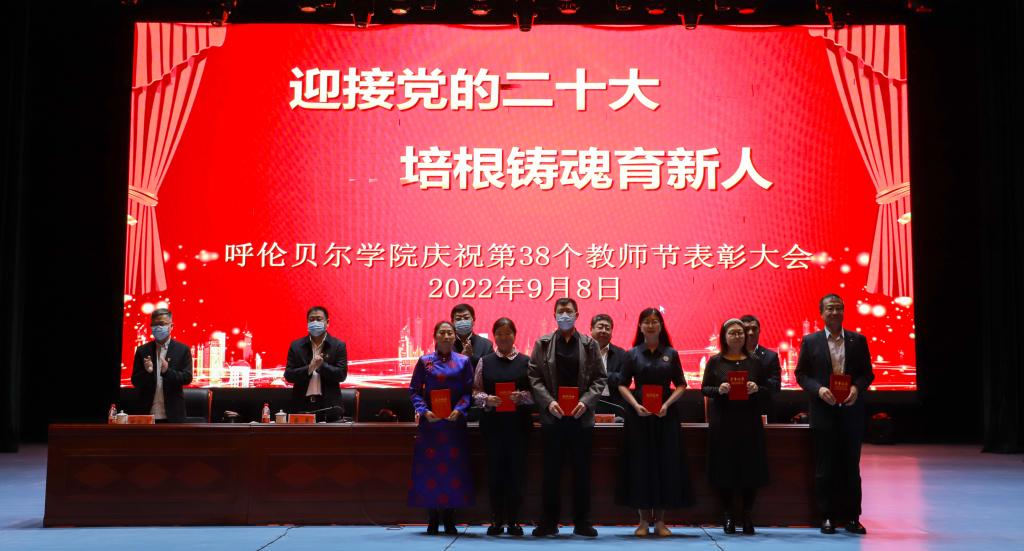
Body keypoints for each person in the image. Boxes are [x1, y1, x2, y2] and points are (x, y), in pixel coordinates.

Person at [795, 294, 875, 535]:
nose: (835, 312)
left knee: (851, 467)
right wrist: (819, 390)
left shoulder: (857, 340)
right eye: (830, 308)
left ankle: (853, 517)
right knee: (825, 467)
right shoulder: (811, 341)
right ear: (821, 313)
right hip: (823, 412)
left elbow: (867, 374)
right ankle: (827, 516)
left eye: (839, 308)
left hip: (851, 412)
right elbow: (801, 375)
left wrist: (856, 388)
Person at [528, 298, 607, 537]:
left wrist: (586, 401)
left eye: (569, 311)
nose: (565, 315)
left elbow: (600, 378)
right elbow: (534, 377)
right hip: (553, 418)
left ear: (577, 315)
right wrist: (548, 402)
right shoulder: (542, 343)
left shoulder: (590, 344)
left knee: (581, 472)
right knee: (550, 473)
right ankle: (548, 522)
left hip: (580, 418)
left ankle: (582, 522)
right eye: (560, 311)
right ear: (554, 315)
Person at [616, 308, 695, 537]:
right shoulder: (632, 354)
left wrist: (667, 404)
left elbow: (681, 384)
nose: (650, 325)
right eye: (646, 322)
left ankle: (660, 521)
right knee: (640, 465)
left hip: (665, 416)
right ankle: (642, 521)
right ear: (640, 326)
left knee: (665, 465)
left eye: (655, 321)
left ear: (661, 326)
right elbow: (622, 384)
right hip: (639, 417)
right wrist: (635, 405)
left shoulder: (671, 353)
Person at [701, 318, 772, 535]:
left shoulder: (755, 361)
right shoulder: (715, 361)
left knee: (750, 469)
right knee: (725, 469)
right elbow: (705, 389)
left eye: (740, 333)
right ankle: (728, 515)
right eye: (732, 333)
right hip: (723, 422)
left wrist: (756, 388)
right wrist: (719, 389)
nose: (737, 336)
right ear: (724, 337)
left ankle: (747, 515)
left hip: (749, 422)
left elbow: (768, 389)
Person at [408, 320, 475, 535]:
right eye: (442, 333)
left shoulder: (464, 361)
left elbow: (469, 391)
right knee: (430, 470)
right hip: (431, 425)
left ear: (455, 337)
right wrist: (424, 411)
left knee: (454, 470)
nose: (446, 336)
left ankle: (449, 516)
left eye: (449, 333)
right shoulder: (425, 361)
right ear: (435, 336)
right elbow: (414, 390)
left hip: (454, 425)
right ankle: (432, 517)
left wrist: (460, 409)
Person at [472, 317, 533, 536]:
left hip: (519, 427)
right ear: (494, 336)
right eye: (499, 334)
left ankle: (515, 521)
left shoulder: (526, 361)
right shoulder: (485, 361)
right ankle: (497, 520)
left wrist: (522, 397)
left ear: (514, 335)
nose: (504, 337)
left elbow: (536, 392)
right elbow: (475, 391)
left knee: (516, 474)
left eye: (508, 333)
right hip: (493, 427)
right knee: (495, 473)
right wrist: (486, 399)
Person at [284, 306, 348, 421]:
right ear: (307, 322)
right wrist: (310, 368)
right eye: (311, 319)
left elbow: (341, 375)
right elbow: (289, 375)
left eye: (319, 319)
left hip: (329, 407)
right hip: (301, 406)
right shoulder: (296, 346)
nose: (315, 323)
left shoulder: (338, 346)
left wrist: (322, 366)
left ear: (327, 322)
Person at [131, 308, 193, 422]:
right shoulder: (142, 350)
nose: (158, 327)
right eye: (154, 324)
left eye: (162, 324)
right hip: (146, 414)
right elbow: (135, 381)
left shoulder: (182, 349)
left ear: (171, 326)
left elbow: (187, 378)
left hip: (173, 415)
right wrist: (148, 372)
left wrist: (167, 372)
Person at [740, 315, 782, 422]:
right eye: (746, 329)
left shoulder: (771, 356)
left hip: (762, 410)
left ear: (759, 331)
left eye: (754, 329)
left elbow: (776, 386)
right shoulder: (730, 356)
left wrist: (757, 387)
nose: (750, 332)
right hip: (737, 411)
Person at [590, 313, 628, 415]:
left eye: (607, 328)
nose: (604, 331)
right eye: (600, 327)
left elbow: (624, 379)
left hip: (613, 404)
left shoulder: (621, 354)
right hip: (586, 403)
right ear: (591, 329)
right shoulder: (582, 351)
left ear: (611, 332)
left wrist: (603, 375)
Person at [451, 303, 495, 370]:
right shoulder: (446, 345)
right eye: (458, 319)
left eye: (466, 318)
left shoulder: (486, 345)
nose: (463, 321)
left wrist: (472, 358)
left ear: (473, 320)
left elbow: (490, 370)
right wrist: (461, 359)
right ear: (452, 322)